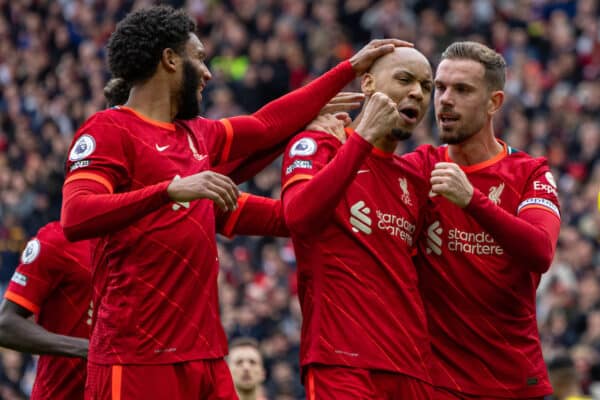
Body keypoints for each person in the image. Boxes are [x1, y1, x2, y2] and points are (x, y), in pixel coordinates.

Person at [59, 5, 407, 398]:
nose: (208, 73)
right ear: (170, 60)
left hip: (205, 356)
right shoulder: (108, 129)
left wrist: (347, 70)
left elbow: (264, 127)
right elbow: (75, 214)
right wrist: (171, 190)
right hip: (136, 358)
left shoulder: (196, 134)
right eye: (200, 59)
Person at [281, 46, 435, 398]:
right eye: (404, 79)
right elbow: (298, 217)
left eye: (426, 87)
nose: (417, 92)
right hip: (342, 360)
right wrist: (362, 137)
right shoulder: (318, 144)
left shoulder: (415, 179)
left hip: (412, 366)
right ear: (367, 83)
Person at [410, 41, 561, 399]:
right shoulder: (419, 168)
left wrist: (472, 200)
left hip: (513, 384)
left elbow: (541, 250)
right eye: (440, 88)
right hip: (436, 384)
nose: (445, 100)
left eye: (462, 90)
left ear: (494, 102)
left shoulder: (529, 172)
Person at [0, 222, 91, 399]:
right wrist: (86, 348)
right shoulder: (56, 240)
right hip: (61, 393)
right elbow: (6, 325)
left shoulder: (138, 245)